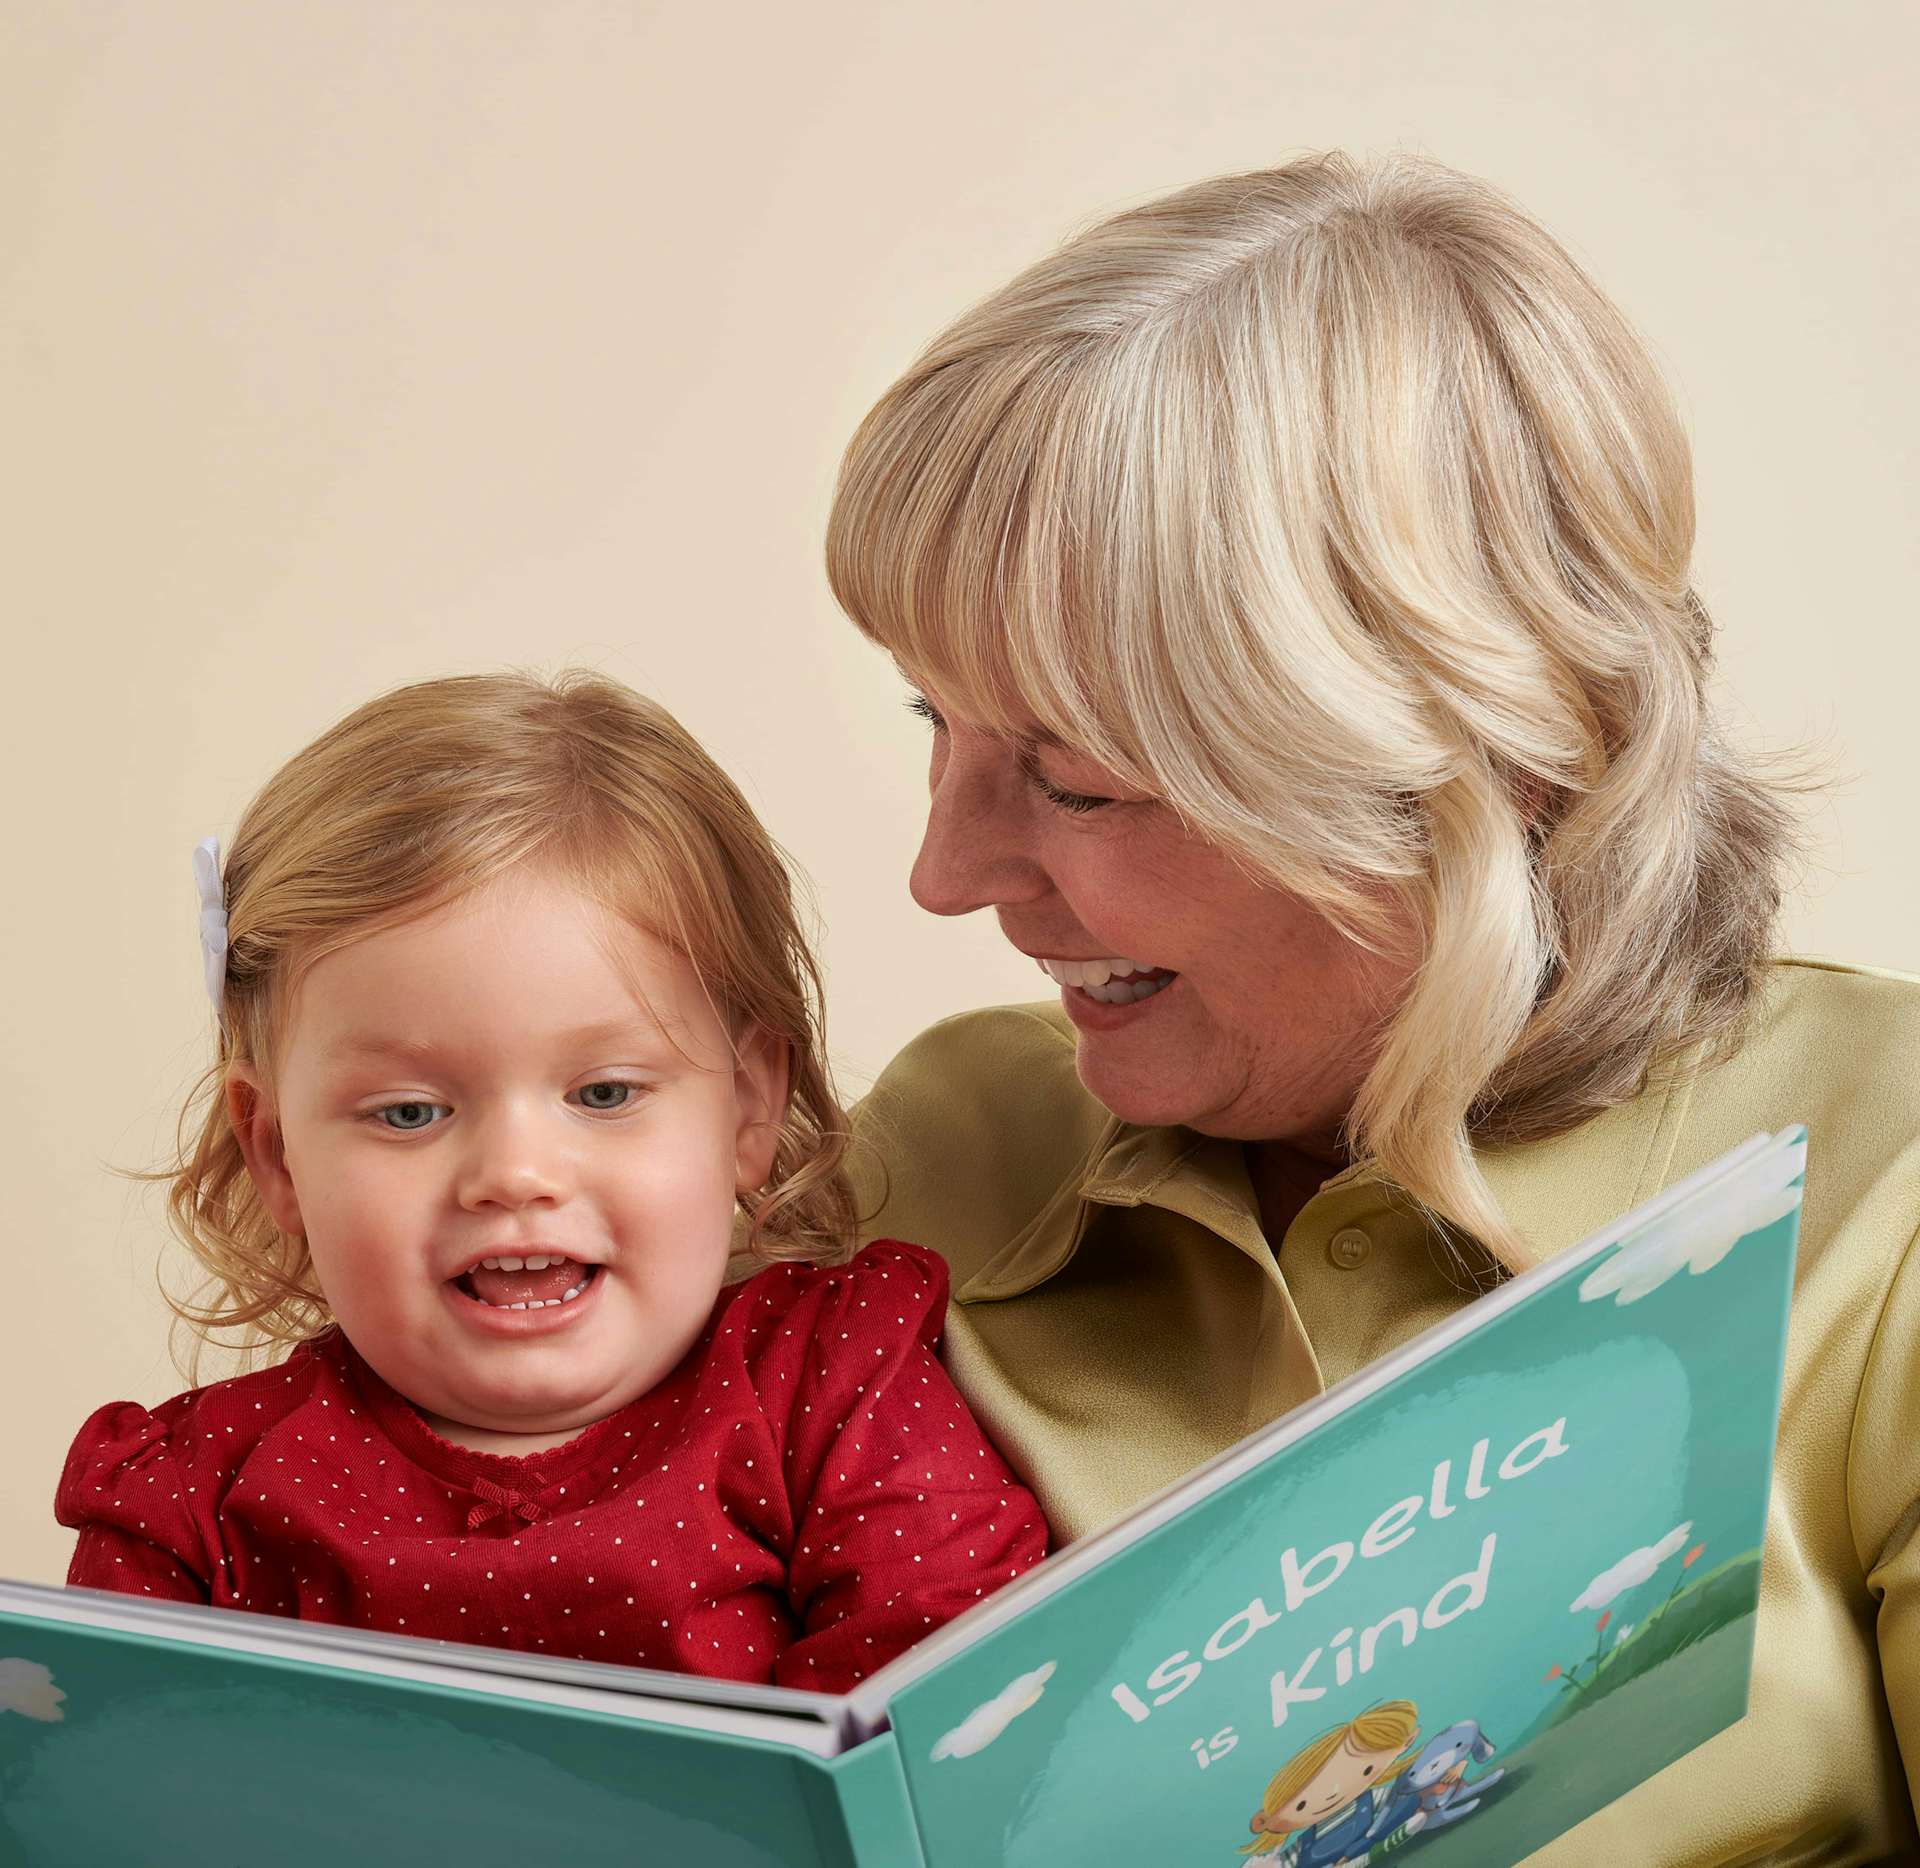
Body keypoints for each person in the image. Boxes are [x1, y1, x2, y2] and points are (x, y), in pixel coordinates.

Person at [824, 150, 1920, 1860]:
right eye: (933, 727)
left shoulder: (1891, 1181)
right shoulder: (937, 1159)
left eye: (1080, 779)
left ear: (1494, 764)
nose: (949, 873)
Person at [55, 671, 1044, 1692]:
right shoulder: (191, 1503)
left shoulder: (830, 1394)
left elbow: (944, 1703)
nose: (513, 1174)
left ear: (748, 1107)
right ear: (277, 1156)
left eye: (606, 1091)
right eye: (409, 1112)